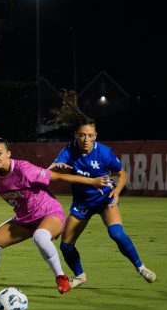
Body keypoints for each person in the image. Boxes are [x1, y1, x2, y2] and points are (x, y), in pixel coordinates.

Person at [0, 137, 113, 295]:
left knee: (40, 237)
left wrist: (92, 181)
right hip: (25, 220)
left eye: (0, 153)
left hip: (49, 214)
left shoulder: (24, 169)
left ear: (8, 153)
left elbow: (58, 177)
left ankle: (61, 278)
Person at [48, 89, 156, 288]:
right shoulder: (68, 150)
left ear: (95, 135)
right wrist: (56, 167)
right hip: (82, 203)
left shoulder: (105, 153)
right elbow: (52, 169)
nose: (86, 139)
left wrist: (116, 191)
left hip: (105, 200)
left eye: (90, 135)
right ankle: (80, 276)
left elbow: (122, 173)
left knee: (116, 234)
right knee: (65, 245)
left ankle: (140, 267)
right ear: (76, 135)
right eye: (82, 135)